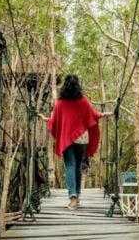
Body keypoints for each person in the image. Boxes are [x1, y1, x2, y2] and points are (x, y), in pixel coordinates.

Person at [38, 75, 112, 209]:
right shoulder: (84, 101)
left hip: (66, 138)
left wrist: (45, 119)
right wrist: (104, 114)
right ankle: (77, 196)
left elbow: (55, 121)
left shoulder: (60, 103)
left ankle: (72, 197)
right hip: (82, 138)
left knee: (70, 166)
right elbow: (93, 115)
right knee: (78, 166)